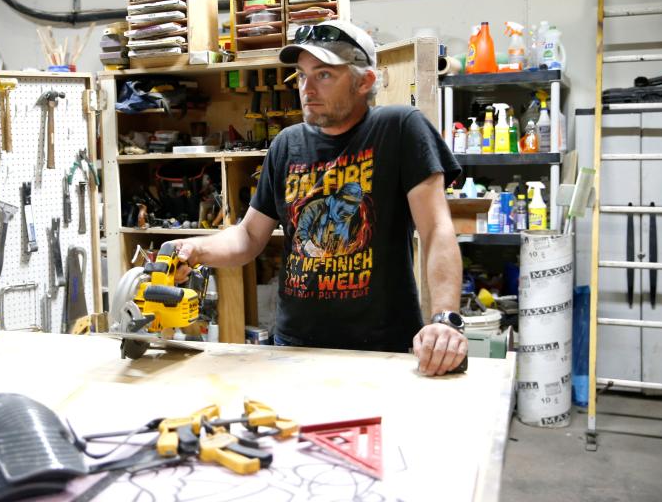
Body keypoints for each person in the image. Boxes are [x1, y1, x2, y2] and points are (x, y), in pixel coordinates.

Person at [175, 20, 467, 376]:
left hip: (380, 349)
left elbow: (437, 229)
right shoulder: (286, 144)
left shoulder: (399, 128)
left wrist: (445, 320)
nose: (306, 88)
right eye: (300, 75)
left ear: (365, 82)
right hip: (293, 345)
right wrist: (195, 249)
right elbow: (249, 236)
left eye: (324, 75)